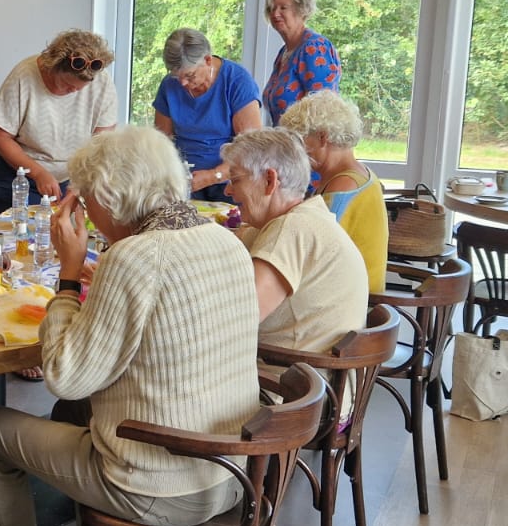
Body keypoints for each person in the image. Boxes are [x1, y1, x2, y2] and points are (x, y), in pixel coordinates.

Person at [0, 127, 262, 526]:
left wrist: (69, 275)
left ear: (113, 197)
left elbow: (64, 375)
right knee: (76, 416)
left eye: (88, 200)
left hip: (161, 486)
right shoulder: (225, 240)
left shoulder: (133, 258)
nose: (87, 215)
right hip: (230, 474)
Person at [221, 128, 367, 352]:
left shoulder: (291, 229)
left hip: (291, 371)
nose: (228, 191)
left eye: (235, 180)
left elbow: (239, 319)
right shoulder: (307, 217)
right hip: (314, 369)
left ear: (270, 180)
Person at [0, 29, 118, 214]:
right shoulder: (24, 75)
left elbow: (102, 143)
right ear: (52, 68)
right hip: (18, 178)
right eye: (67, 85)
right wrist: (38, 173)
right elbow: (0, 137)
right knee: (24, 229)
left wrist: (81, 183)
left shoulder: (101, 82)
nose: (74, 91)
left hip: (69, 178)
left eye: (80, 88)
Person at [278, 91, 386, 292]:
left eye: (299, 142)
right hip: (357, 290)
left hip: (353, 298)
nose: (296, 152)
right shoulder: (359, 173)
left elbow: (313, 248)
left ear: (322, 137)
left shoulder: (343, 186)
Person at [151, 27, 261, 201]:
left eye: (190, 75)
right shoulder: (169, 85)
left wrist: (213, 176)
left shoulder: (237, 81)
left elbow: (251, 149)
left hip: (229, 182)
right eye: (177, 76)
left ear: (208, 60)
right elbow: (161, 142)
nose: (183, 83)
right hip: (182, 180)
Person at [262, 0, 340, 125]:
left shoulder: (314, 47)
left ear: (301, 10)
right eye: (271, 8)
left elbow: (322, 109)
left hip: (307, 139)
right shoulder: (284, 52)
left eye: (283, 8)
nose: (275, 13)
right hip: (285, 137)